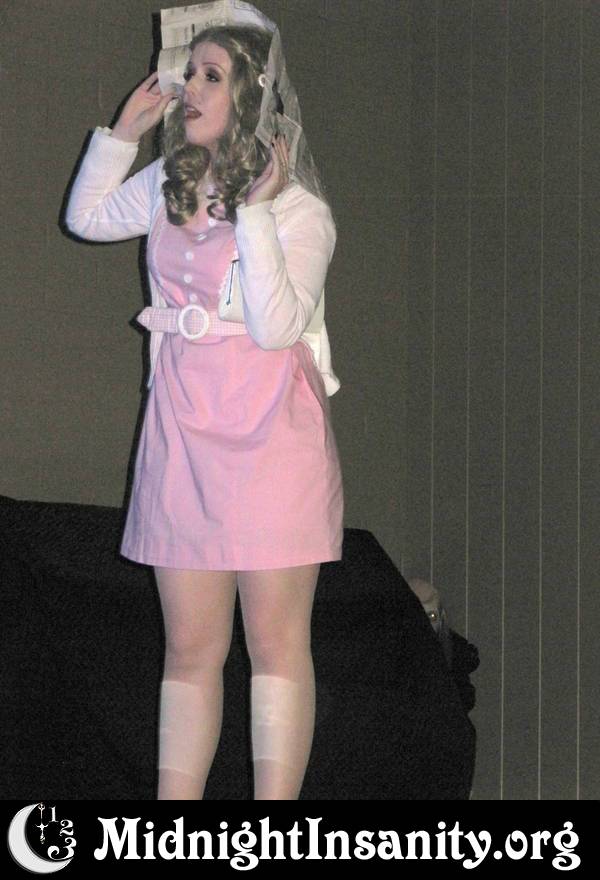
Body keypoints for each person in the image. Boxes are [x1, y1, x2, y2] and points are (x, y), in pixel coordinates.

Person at [65, 11, 344, 801]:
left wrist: (256, 211)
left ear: (251, 94)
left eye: (211, 76)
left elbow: (276, 327)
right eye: (191, 72)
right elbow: (86, 218)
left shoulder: (300, 212)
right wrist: (123, 134)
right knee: (189, 649)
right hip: (182, 430)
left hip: (272, 439)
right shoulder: (171, 183)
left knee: (276, 647)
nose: (190, 87)